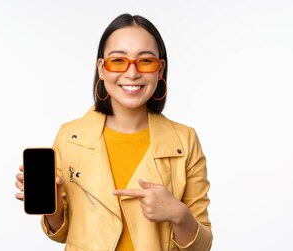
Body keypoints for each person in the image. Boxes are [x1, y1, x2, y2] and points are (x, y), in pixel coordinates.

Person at [14, 13, 212, 251]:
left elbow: (201, 246)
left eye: (145, 61)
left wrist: (178, 214)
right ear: (101, 68)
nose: (132, 73)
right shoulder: (70, 137)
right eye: (117, 61)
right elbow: (62, 234)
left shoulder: (185, 140)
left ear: (160, 70)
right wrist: (54, 209)